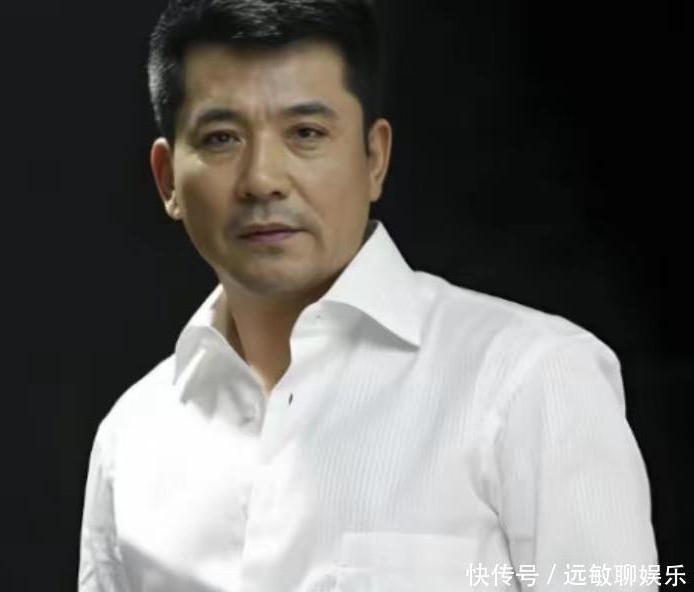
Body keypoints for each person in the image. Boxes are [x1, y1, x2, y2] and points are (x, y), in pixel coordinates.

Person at [78, 1, 657, 590]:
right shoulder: (133, 436)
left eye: (306, 133)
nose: (262, 180)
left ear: (374, 158)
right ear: (168, 179)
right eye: (221, 138)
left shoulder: (531, 378)